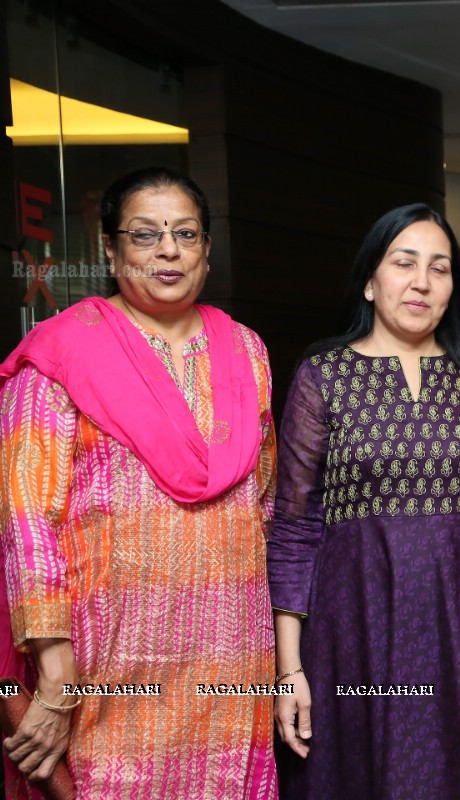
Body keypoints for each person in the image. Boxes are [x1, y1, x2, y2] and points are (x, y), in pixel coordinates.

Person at [0, 167, 277, 798]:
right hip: (108, 660)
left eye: (185, 233)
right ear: (109, 247)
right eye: (145, 235)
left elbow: (263, 503)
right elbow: (25, 519)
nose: (169, 251)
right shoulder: (60, 352)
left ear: (207, 246)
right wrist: (54, 664)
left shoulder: (248, 350)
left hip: (232, 651)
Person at [268, 204, 460, 799]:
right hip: (353, 631)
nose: (422, 281)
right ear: (371, 281)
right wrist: (289, 669)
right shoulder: (324, 376)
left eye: (440, 268)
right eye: (404, 263)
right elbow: (294, 528)